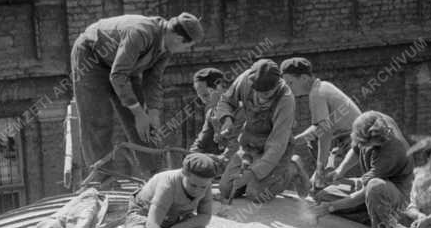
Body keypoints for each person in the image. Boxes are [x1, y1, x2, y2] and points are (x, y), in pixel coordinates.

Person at [71, 12, 204, 184]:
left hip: (124, 66)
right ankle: (103, 177)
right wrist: (139, 113)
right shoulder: (140, 33)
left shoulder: (166, 47)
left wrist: (153, 113)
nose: (185, 50)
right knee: (98, 119)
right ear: (178, 38)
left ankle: (154, 174)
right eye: (188, 46)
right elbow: (118, 76)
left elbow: (153, 80)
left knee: (144, 125)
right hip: (91, 58)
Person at [312, 111, 414, 228]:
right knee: (322, 197)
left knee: (375, 187)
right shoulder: (369, 122)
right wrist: (339, 171)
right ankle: (369, 215)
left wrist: (332, 207)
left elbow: (365, 192)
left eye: (369, 145)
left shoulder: (393, 151)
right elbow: (356, 149)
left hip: (393, 193)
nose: (363, 147)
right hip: (370, 183)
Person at [215, 58, 296, 202]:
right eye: (258, 91)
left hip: (275, 151)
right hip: (249, 146)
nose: (261, 96)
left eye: (267, 93)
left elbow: (276, 145)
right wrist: (227, 120)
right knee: (226, 190)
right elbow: (226, 100)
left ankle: (291, 169)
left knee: (256, 194)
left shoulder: (286, 100)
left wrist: (251, 173)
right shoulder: (246, 79)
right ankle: (254, 179)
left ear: (277, 84)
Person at [279, 57, 361, 190]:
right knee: (312, 141)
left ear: (304, 78)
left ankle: (316, 179)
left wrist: (320, 168)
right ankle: (315, 181)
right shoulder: (323, 86)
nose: (288, 88)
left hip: (352, 144)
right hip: (345, 141)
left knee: (321, 188)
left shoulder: (317, 94)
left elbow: (325, 132)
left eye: (290, 82)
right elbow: (318, 128)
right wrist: (294, 141)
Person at [189, 66, 230, 175]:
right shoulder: (211, 114)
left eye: (206, 95)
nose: (203, 101)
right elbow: (200, 143)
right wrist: (192, 156)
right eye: (200, 96)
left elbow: (241, 147)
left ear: (221, 88)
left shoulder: (241, 110)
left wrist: (220, 159)